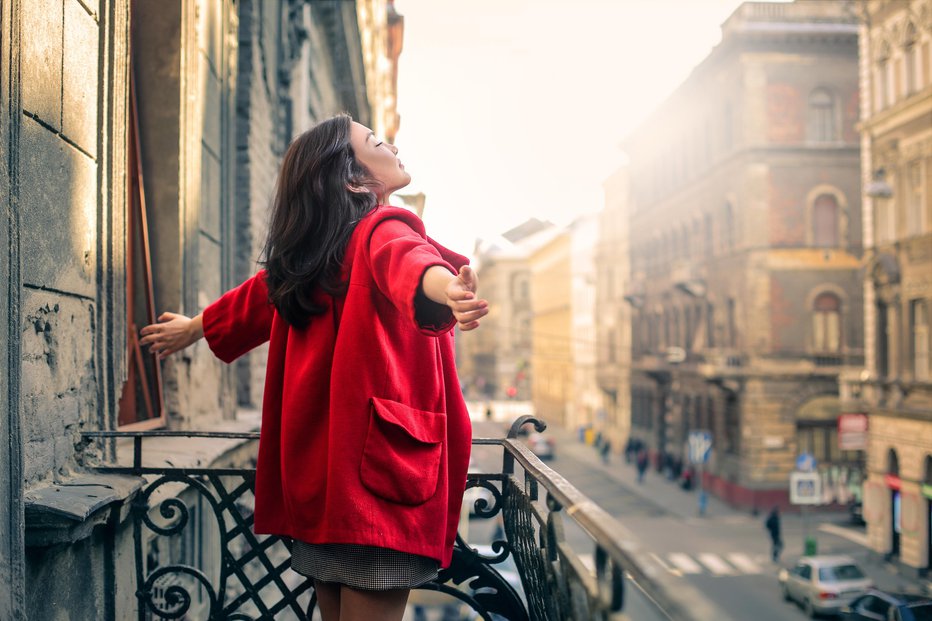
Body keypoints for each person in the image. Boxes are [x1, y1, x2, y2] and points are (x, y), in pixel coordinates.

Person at [139, 114, 489, 621]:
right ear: (353, 179)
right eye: (374, 141)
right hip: (379, 489)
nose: (390, 144)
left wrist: (194, 327)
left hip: (323, 488)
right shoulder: (384, 226)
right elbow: (409, 260)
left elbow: (258, 296)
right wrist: (448, 288)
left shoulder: (315, 255)